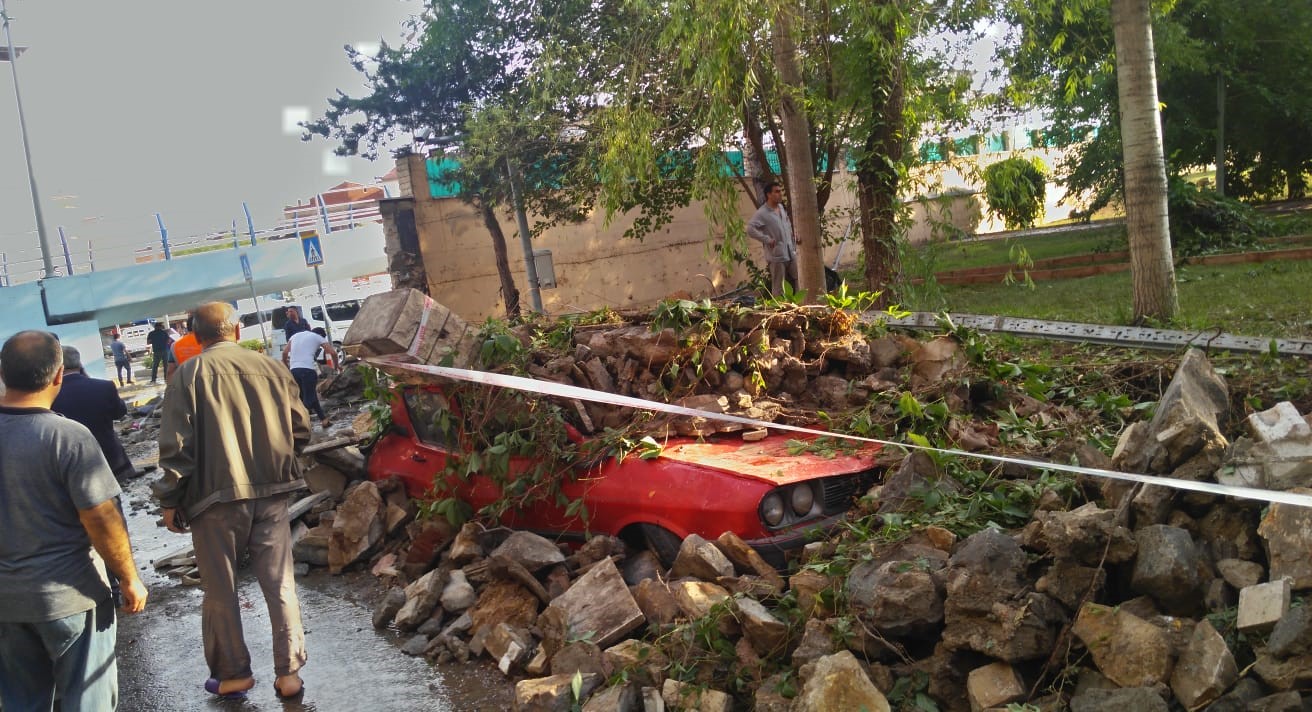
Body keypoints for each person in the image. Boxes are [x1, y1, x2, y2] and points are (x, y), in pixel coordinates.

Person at [155, 302, 311, 700]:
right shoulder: (273, 368)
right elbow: (300, 428)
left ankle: (233, 675)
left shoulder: (188, 376)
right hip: (273, 492)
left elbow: (177, 446)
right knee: (279, 583)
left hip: (214, 498)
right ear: (236, 331)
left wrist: (170, 498)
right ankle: (289, 673)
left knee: (220, 589)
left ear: (195, 337)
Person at [0, 330, 148, 711]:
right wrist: (128, 578)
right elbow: (101, 516)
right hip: (71, 597)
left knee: (21, 701)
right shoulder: (67, 437)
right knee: (88, 700)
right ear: (58, 376)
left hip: (6, 604)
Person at [51, 345, 141, 482]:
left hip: (72, 467)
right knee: (113, 501)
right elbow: (120, 412)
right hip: (110, 459)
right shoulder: (104, 386)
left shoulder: (49, 395)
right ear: (79, 363)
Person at [746, 181, 799, 296]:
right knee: (779, 285)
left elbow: (787, 222)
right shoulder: (762, 213)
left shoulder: (781, 207)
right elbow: (750, 229)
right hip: (776, 255)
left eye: (780, 191)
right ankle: (780, 310)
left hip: (790, 250)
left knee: (799, 277)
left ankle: (801, 304)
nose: (780, 194)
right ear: (768, 195)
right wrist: (767, 239)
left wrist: (791, 233)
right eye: (777, 192)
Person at [282, 327, 340, 428]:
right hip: (307, 371)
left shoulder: (295, 335)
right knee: (308, 401)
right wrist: (336, 367)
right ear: (322, 335)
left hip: (294, 371)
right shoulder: (318, 337)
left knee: (310, 396)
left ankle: (324, 420)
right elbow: (333, 353)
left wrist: (287, 368)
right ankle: (295, 424)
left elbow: (284, 353)